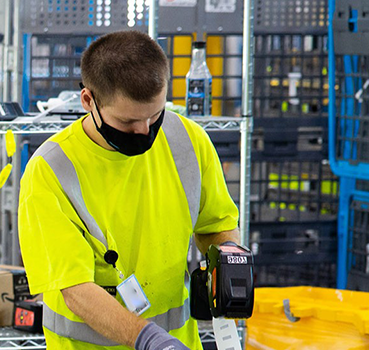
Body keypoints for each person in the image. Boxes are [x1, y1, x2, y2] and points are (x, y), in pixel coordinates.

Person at [17, 30, 243, 350]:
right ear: (88, 101)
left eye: (155, 115)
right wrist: (148, 339)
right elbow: (76, 291)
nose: (144, 131)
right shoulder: (51, 171)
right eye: (127, 122)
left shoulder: (188, 142)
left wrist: (227, 262)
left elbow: (216, 225)